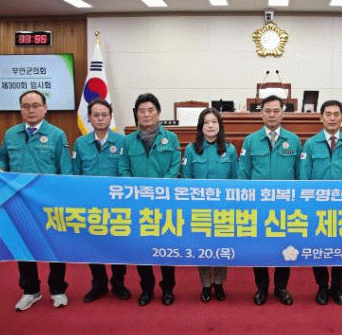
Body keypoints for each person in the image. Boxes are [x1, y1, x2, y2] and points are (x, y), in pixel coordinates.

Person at [0, 90, 72, 311]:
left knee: (54, 245)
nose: (31, 110)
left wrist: (64, 201)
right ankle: (30, 290)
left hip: (49, 202)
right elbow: (2, 159)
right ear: (21, 110)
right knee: (23, 245)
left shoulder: (57, 135)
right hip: (19, 201)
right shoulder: (11, 134)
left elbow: (65, 171)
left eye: (36, 105)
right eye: (26, 106)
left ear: (45, 108)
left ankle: (57, 289)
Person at [238, 95, 302, 306]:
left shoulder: (293, 140)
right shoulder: (251, 140)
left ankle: (281, 287)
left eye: (276, 111)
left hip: (286, 207)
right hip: (258, 206)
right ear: (261, 114)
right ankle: (262, 287)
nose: (272, 115)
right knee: (259, 248)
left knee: (286, 247)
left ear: (283, 113)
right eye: (267, 111)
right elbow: (243, 174)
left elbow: (299, 174)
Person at [119, 93, 181, 306]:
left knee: (166, 248)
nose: (146, 115)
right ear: (136, 114)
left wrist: (160, 190)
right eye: (142, 111)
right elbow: (124, 169)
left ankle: (168, 288)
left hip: (164, 203)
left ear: (158, 113)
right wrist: (135, 191)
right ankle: (146, 288)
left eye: (150, 110)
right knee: (142, 248)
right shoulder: (128, 141)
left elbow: (175, 167)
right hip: (138, 204)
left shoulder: (171, 138)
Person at [300, 100, 342, 305]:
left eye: (336, 114)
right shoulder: (311, 144)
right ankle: (321, 286)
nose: (332, 118)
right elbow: (304, 178)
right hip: (317, 208)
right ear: (321, 117)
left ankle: (337, 286)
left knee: (340, 249)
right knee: (318, 248)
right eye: (328, 114)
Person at [72, 98, 131, 303]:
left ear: (110, 117)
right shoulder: (80, 143)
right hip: (90, 205)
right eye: (95, 115)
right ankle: (98, 283)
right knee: (93, 245)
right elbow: (76, 174)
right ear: (89, 118)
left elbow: (126, 171)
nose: (100, 118)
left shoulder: (122, 141)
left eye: (104, 115)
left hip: (116, 205)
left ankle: (118, 283)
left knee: (118, 246)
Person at [181, 108, 238, 302]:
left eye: (214, 122)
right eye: (206, 122)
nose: (211, 126)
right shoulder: (191, 149)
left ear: (220, 126)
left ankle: (219, 283)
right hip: (200, 210)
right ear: (201, 126)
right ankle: (206, 284)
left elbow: (235, 179)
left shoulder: (229, 149)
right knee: (203, 248)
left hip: (224, 210)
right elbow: (186, 180)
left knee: (221, 247)